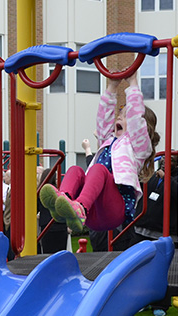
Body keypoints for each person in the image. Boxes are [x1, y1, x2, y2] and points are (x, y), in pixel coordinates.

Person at [40, 74, 160, 235]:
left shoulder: (138, 148)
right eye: (120, 113)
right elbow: (103, 120)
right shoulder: (108, 141)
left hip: (115, 210)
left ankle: (79, 207)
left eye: (125, 116)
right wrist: (111, 87)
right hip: (93, 211)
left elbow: (136, 121)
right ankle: (64, 202)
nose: (119, 116)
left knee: (98, 169)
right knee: (76, 170)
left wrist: (132, 84)